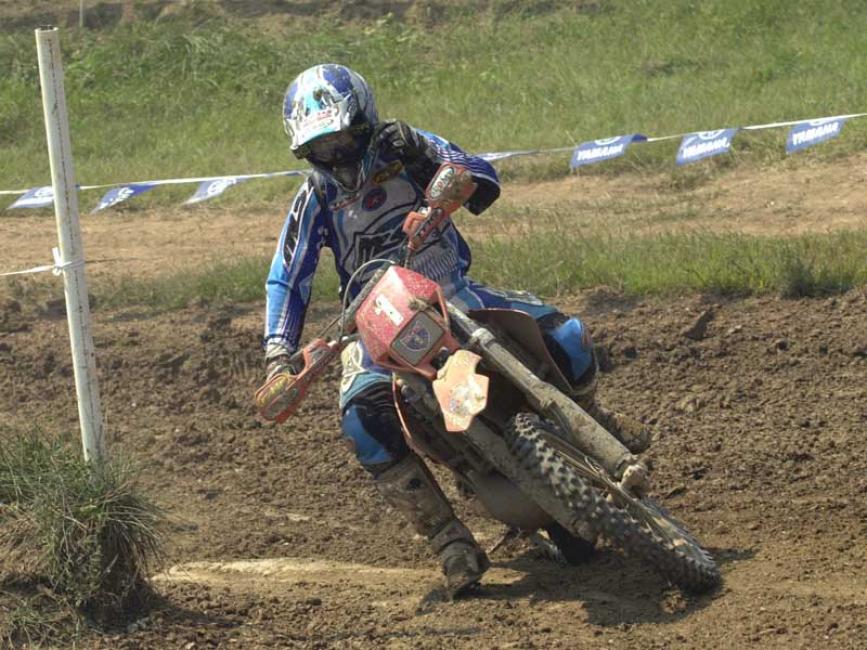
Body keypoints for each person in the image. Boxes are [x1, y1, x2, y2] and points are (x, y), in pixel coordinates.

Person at [263, 64, 648, 598]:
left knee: (567, 334)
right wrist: (279, 353)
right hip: (372, 324)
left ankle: (598, 420)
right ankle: (449, 542)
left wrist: (425, 155)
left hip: (450, 291)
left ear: (363, 119)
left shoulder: (405, 147)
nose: (335, 155)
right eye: (320, 147)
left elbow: (482, 178)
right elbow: (288, 275)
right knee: (361, 420)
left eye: (342, 138)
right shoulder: (315, 198)